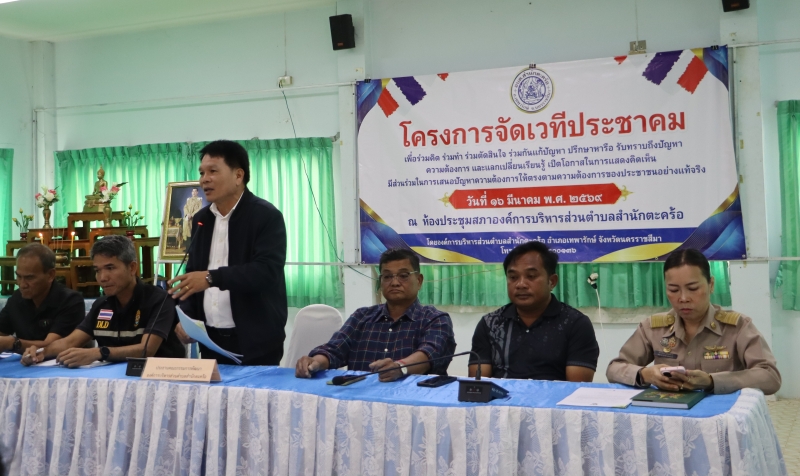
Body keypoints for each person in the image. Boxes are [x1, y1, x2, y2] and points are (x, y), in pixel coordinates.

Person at [168, 140, 288, 365]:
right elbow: (193, 274)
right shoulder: (201, 219)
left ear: (238, 175)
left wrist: (211, 278)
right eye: (202, 173)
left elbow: (265, 272)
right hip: (210, 341)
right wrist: (188, 318)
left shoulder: (266, 216)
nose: (204, 179)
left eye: (213, 171)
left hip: (256, 343)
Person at [606, 249, 781, 395]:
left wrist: (712, 381)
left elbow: (770, 377)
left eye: (693, 288)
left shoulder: (738, 326)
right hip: (670, 413)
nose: (683, 298)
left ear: (711, 285)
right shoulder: (653, 328)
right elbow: (614, 369)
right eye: (673, 290)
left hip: (721, 416)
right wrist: (645, 374)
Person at [22, 235, 185, 367]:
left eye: (110, 268)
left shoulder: (159, 300)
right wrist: (41, 352)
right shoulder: (102, 305)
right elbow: (70, 341)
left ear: (132, 268)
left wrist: (99, 353)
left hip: (159, 381)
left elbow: (146, 349)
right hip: (111, 382)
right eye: (97, 270)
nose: (102, 278)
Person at [296, 248, 456, 382]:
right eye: (387, 276)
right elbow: (334, 350)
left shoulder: (435, 319)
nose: (395, 282)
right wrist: (315, 362)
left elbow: (429, 354)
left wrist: (400, 367)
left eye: (403, 276)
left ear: (419, 281)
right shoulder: (361, 316)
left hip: (411, 401)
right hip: (359, 399)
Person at [468, 241, 599, 381]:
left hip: (554, 395)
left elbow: (576, 387)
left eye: (531, 276)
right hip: (500, 395)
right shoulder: (490, 324)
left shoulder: (576, 324)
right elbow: (478, 385)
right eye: (513, 277)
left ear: (552, 281)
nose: (520, 284)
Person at [0, 244, 84, 355]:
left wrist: (12, 343)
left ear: (50, 275)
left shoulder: (70, 301)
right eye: (19, 276)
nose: (22, 284)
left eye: (29, 278)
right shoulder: (17, 299)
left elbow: (51, 346)